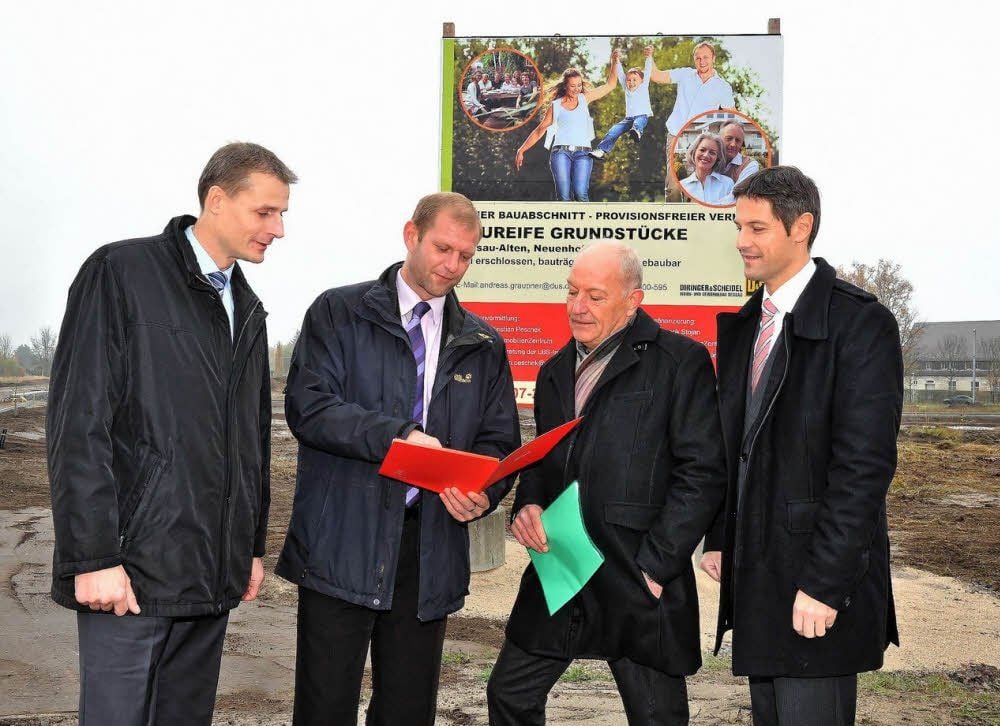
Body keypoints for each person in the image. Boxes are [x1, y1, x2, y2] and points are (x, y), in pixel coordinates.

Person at [47, 142, 296, 725]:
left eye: (282, 214)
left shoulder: (247, 306)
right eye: (266, 212)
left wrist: (248, 549)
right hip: (129, 576)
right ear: (216, 200)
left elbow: (250, 442)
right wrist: (93, 556)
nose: (278, 229)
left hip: (209, 576)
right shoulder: (121, 273)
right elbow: (79, 424)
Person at [276, 192, 520, 725]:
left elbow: (500, 441)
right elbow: (310, 408)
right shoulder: (338, 312)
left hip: (427, 547)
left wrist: (482, 492)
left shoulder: (483, 341)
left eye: (465, 256)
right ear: (411, 235)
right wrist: (400, 436)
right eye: (442, 249)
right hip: (343, 536)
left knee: (409, 709)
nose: (452, 266)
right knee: (324, 706)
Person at [487, 241, 727, 725]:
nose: (578, 307)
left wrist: (656, 567)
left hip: (634, 569)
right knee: (509, 695)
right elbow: (543, 461)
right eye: (572, 292)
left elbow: (702, 472)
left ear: (633, 300)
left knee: (656, 716)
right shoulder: (555, 370)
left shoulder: (679, 362)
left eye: (595, 296)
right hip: (563, 565)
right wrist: (528, 505)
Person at [701, 167, 904, 725]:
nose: (742, 240)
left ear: (801, 227)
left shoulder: (860, 324)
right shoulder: (746, 326)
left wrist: (824, 584)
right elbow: (734, 443)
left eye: (758, 228)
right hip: (760, 578)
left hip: (816, 586)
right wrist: (720, 536)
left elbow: (863, 470)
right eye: (739, 226)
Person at [515, 54, 618, 201]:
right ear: (565, 86)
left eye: (579, 85)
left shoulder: (585, 99)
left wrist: (614, 62)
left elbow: (610, 85)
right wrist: (522, 149)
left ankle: (586, 224)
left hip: (583, 154)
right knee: (563, 196)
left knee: (581, 193)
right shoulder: (556, 105)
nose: (577, 89)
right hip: (561, 153)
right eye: (573, 86)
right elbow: (540, 130)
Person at [650, 41, 736, 200]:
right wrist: (649, 57)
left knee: (696, 186)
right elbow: (657, 76)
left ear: (713, 59)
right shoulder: (685, 74)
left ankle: (694, 222)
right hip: (676, 136)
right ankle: (673, 222)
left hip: (700, 141)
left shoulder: (723, 86)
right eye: (698, 58)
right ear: (694, 59)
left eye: (706, 57)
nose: (702, 61)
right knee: (673, 186)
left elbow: (732, 115)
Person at [590, 46, 654, 160]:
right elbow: (620, 73)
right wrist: (616, 60)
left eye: (635, 80)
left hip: (641, 116)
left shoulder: (644, 86)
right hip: (628, 119)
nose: (631, 82)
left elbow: (648, 70)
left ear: (642, 81)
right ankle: (600, 150)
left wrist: (649, 57)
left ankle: (637, 132)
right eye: (629, 80)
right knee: (614, 130)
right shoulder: (626, 87)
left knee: (638, 123)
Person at [679, 132, 735, 205]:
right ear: (694, 151)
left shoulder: (727, 184)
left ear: (718, 158)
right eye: (702, 150)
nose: (706, 155)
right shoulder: (682, 186)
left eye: (712, 153)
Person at [719, 119, 761, 185]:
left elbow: (738, 193)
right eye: (729, 139)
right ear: (719, 139)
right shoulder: (709, 160)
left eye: (738, 140)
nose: (733, 144)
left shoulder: (749, 165)